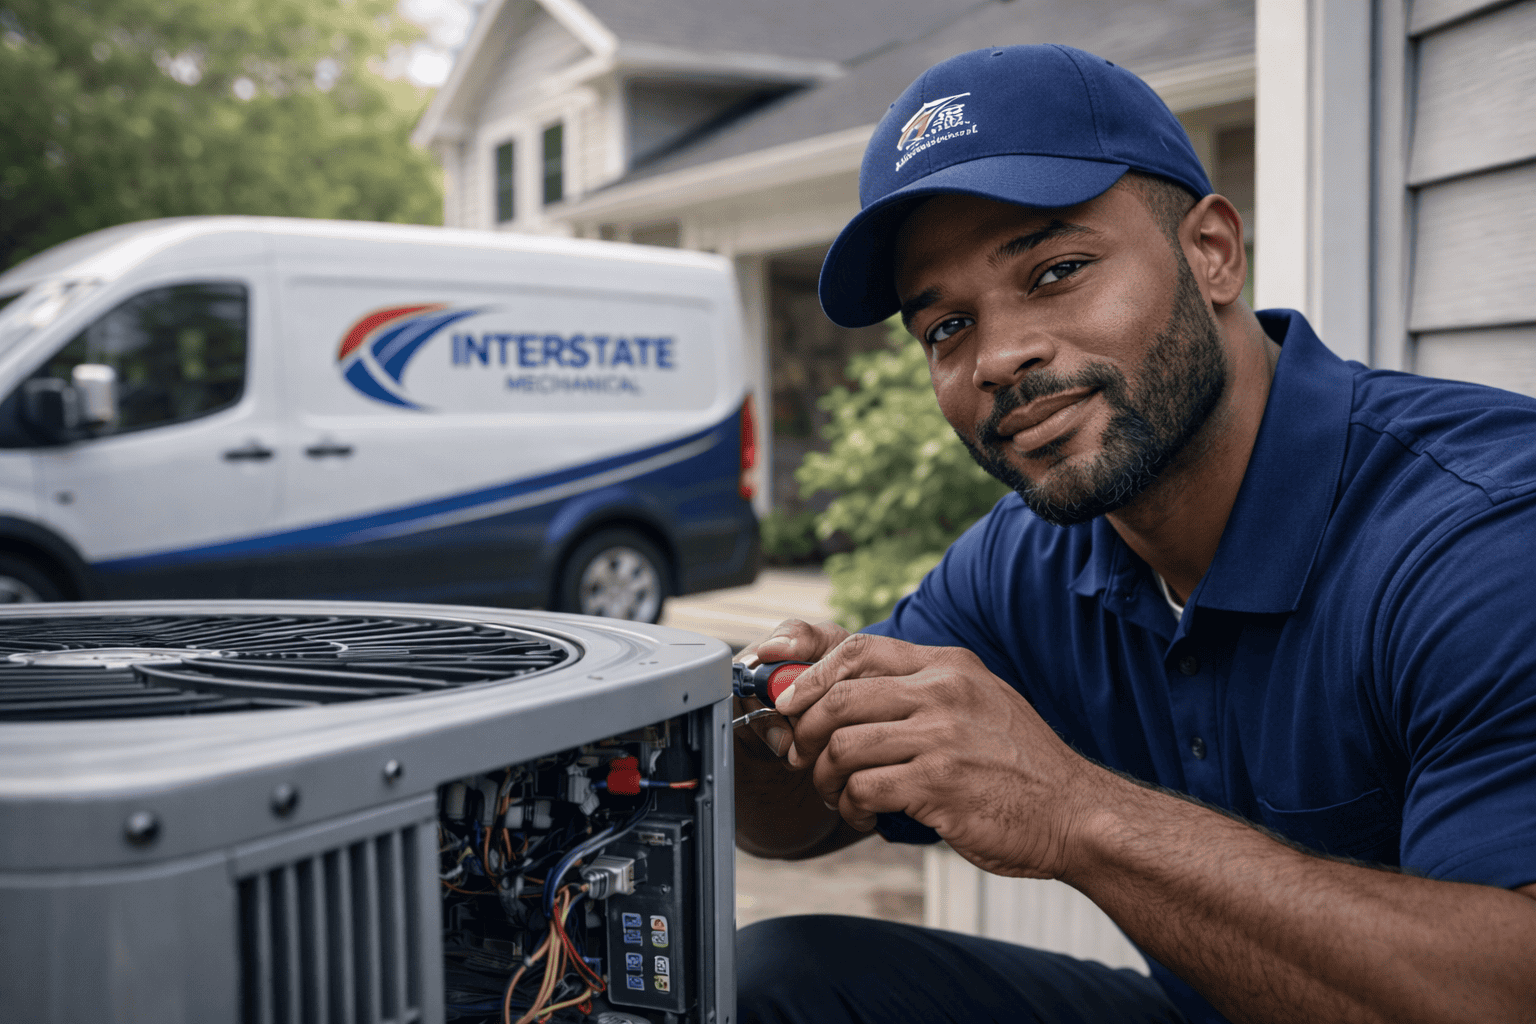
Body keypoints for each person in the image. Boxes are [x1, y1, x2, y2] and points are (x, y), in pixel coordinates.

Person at [732, 44, 1536, 1024]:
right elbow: (796, 828)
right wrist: (779, 729)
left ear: (1213, 253)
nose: (999, 355)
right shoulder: (1030, 558)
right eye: (944, 327)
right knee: (774, 980)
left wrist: (1074, 810)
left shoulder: (1483, 536)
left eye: (1057, 269)